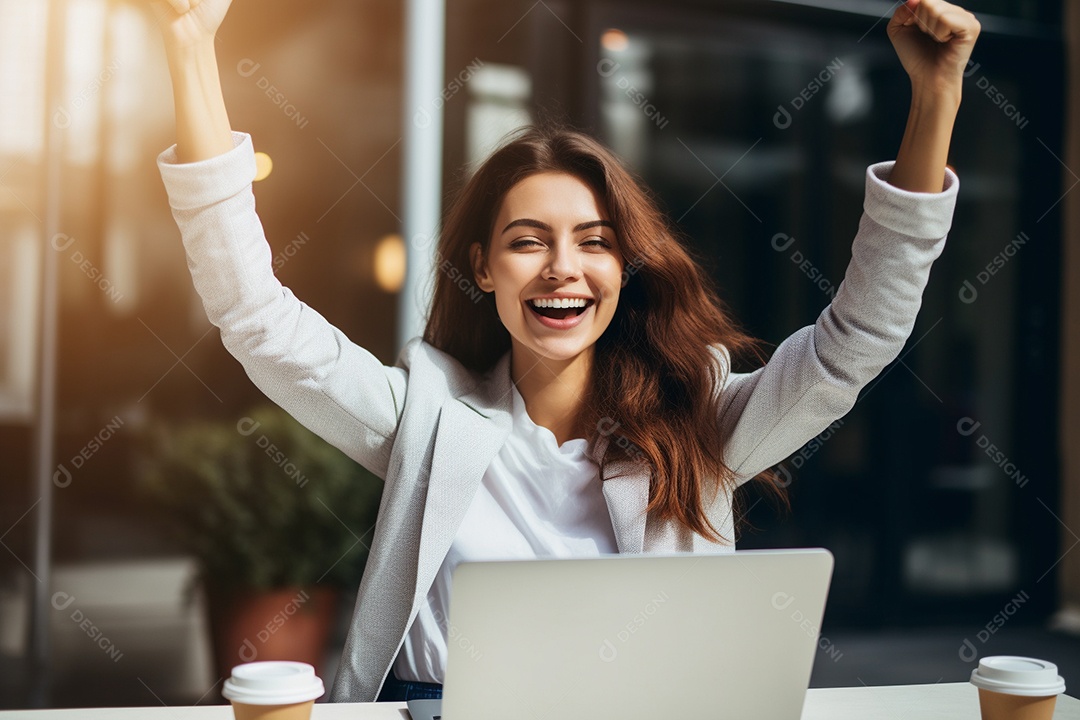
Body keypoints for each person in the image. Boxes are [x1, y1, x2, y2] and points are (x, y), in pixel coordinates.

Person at [152, 0, 979, 703]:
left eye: (593, 241)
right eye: (527, 241)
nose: (562, 269)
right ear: (482, 266)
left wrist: (935, 97)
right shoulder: (424, 419)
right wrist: (191, 47)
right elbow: (255, 318)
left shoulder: (704, 420)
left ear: (623, 268)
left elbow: (854, 344)